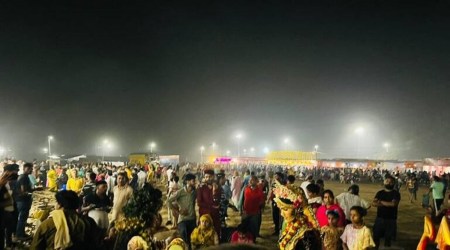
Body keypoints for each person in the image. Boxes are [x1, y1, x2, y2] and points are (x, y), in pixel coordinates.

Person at [30, 190, 101, 249]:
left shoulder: (48, 223)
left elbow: (35, 247)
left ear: (60, 204)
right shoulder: (88, 221)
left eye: (56, 202)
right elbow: (95, 244)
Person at [272, 182, 321, 250]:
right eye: (281, 209)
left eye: (285, 209)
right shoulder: (291, 225)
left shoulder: (306, 234)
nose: (281, 214)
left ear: (297, 209)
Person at [168, 173, 197, 250]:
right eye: (193, 181)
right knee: (184, 237)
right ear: (187, 182)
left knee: (192, 240)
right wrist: (177, 211)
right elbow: (169, 201)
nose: (195, 182)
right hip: (183, 220)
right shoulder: (180, 192)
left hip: (192, 219)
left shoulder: (195, 192)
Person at [372, 175, 401, 249]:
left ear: (394, 183)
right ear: (384, 182)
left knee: (388, 239)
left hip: (391, 219)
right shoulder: (380, 193)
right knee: (376, 237)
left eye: (391, 182)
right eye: (387, 181)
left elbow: (393, 204)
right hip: (379, 218)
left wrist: (380, 201)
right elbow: (374, 203)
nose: (389, 183)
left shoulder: (396, 193)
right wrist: (387, 203)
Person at [13, 162, 39, 240]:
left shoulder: (25, 176)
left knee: (22, 218)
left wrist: (35, 189)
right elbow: (23, 191)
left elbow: (27, 189)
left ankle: (21, 233)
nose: (31, 170)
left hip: (22, 200)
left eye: (31, 169)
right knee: (22, 218)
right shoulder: (23, 177)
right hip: (23, 201)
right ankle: (19, 235)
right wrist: (32, 193)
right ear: (24, 169)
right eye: (29, 169)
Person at [197, 169, 220, 235]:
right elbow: (199, 203)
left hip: (214, 216)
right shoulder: (201, 188)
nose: (208, 178)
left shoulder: (218, 187)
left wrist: (214, 192)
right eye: (206, 177)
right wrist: (211, 206)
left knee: (215, 233)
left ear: (213, 177)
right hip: (204, 216)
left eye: (209, 177)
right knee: (203, 234)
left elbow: (217, 202)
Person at [242, 175, 265, 242]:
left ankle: (253, 241)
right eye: (250, 180)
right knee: (245, 228)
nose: (250, 181)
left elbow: (261, 202)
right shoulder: (246, 189)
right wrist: (242, 210)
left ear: (256, 181)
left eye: (252, 180)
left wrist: (259, 208)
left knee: (253, 229)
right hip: (246, 213)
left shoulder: (259, 191)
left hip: (255, 213)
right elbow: (243, 200)